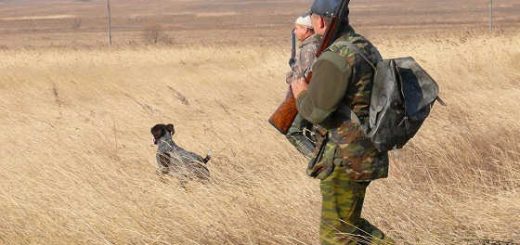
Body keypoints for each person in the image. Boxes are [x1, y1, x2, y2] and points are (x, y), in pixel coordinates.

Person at [290, 0, 395, 244]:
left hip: (343, 157)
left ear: (321, 21)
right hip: (365, 151)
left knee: (335, 236)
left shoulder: (335, 56)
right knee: (350, 226)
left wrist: (299, 90)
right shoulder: (363, 47)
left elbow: (316, 112)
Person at [285, 14, 321, 158]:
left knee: (293, 132)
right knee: (311, 132)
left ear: (307, 30)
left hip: (308, 96)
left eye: (298, 28)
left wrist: (290, 77)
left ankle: (317, 161)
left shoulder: (309, 49)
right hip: (312, 97)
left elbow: (304, 77)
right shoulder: (312, 46)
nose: (295, 31)